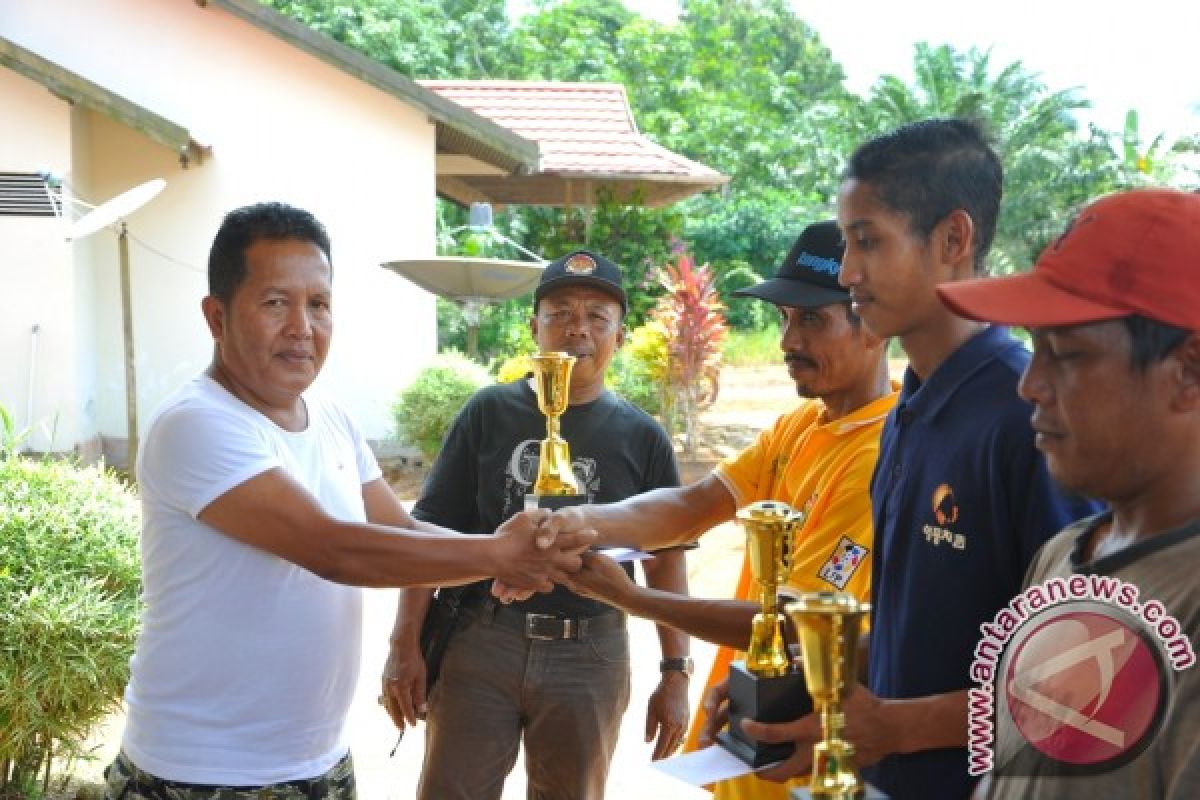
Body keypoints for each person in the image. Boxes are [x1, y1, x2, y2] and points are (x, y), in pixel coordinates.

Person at [102, 202, 592, 800]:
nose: (302, 328)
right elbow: (335, 550)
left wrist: (506, 557)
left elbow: (403, 532)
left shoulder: (328, 416)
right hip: (201, 774)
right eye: (275, 303)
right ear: (217, 315)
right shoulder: (197, 423)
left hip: (319, 763)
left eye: (319, 304)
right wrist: (498, 556)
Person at [738, 119, 1101, 800]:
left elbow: (1089, 687)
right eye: (847, 244)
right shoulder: (907, 409)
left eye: (867, 242)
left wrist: (901, 728)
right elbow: (907, 627)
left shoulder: (1029, 418)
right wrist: (817, 703)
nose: (847, 274)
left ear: (953, 240)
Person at [559, 219, 898, 800]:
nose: (789, 341)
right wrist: (568, 523)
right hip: (744, 752)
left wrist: (632, 597)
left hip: (804, 765)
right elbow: (691, 506)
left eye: (811, 318)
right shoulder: (800, 426)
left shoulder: (881, 455)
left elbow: (794, 624)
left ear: (874, 323)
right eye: (785, 318)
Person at [382, 249, 690, 800]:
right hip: (482, 640)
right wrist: (405, 642)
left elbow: (666, 558)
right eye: (561, 313)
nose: (578, 330)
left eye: (598, 317)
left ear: (619, 334)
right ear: (535, 328)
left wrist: (676, 671)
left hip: (589, 653)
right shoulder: (488, 412)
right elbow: (426, 532)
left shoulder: (643, 438)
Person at [935, 188, 1200, 799]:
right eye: (1034, 348)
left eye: (1068, 355)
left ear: (1187, 372)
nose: (1030, 385)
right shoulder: (1065, 553)